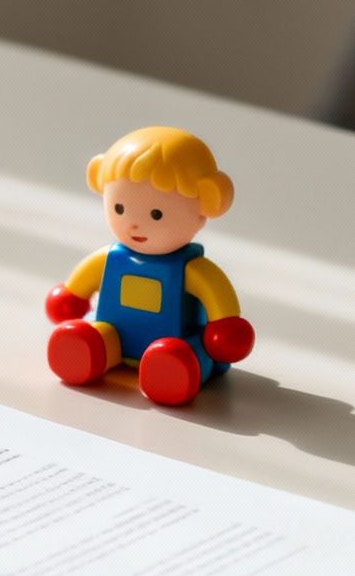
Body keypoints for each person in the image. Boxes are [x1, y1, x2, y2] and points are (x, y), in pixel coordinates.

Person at [44, 126, 255, 406]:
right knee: (93, 334)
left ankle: (169, 372)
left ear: (208, 201)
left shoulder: (191, 270)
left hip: (177, 340)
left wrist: (225, 327)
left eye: (156, 214)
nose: (134, 224)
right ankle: (84, 352)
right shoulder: (110, 260)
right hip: (115, 334)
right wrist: (72, 296)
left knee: (187, 353)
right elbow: (77, 288)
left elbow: (218, 300)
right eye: (119, 208)